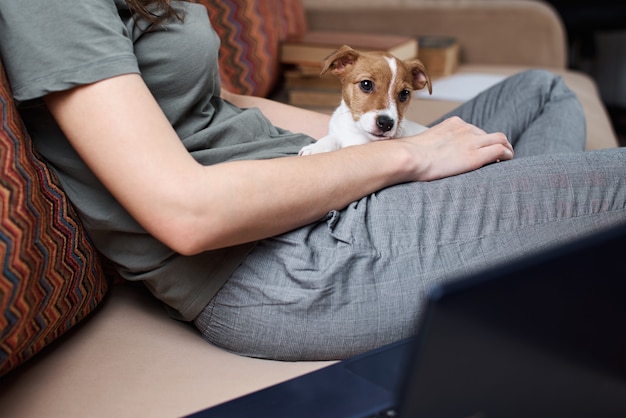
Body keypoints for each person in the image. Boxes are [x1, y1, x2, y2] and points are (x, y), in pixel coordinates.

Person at [0, 0, 624, 361]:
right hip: (284, 258)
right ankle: (540, 256)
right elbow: (188, 215)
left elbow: (220, 102)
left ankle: (527, 252)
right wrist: (411, 159)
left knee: (542, 91)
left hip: (326, 178)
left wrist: (398, 132)